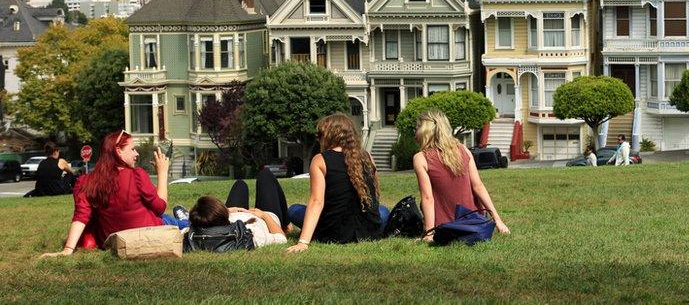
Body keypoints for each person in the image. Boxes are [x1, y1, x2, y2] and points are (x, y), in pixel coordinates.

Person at [40, 130, 184, 257]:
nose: (137, 153)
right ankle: (188, 218)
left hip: (114, 241)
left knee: (170, 217)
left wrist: (67, 249)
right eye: (133, 149)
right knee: (175, 221)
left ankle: (183, 214)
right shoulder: (137, 175)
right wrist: (162, 172)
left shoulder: (87, 182)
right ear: (118, 151)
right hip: (150, 233)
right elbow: (160, 207)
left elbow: (81, 216)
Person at [285, 114, 387, 251]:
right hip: (369, 231)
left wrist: (303, 242)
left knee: (294, 210)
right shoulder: (367, 157)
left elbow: (317, 202)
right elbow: (374, 195)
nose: (318, 139)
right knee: (384, 211)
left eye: (319, 134)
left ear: (329, 136)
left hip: (335, 232)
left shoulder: (320, 160)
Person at [412, 110, 510, 242]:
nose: (415, 132)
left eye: (417, 128)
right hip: (474, 222)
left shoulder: (421, 158)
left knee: (422, 203)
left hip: (446, 226)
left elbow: (428, 198)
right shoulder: (464, 150)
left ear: (425, 131)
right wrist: (498, 220)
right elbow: (478, 186)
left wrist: (429, 234)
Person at [184, 168, 288, 249]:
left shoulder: (194, 233)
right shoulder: (250, 235)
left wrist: (228, 211)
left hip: (232, 216)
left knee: (240, 184)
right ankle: (286, 224)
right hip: (262, 217)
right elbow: (281, 239)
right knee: (265, 175)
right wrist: (264, 216)